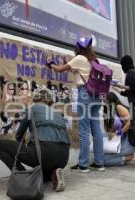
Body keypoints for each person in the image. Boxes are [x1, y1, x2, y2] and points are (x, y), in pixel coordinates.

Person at [46, 37, 105, 172]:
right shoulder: (94, 60)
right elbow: (77, 71)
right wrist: (68, 63)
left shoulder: (79, 59)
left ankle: (83, 164)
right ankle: (99, 163)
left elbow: (60, 69)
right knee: (96, 131)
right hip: (97, 97)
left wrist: (50, 64)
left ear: (78, 47)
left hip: (85, 94)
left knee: (84, 130)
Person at [0, 89, 70, 192]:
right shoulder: (58, 114)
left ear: (36, 97)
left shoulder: (31, 109)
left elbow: (19, 136)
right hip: (63, 158)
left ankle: (24, 177)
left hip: (43, 153)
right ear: (48, 100)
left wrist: (25, 147)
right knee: (42, 170)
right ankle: (53, 173)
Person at [103, 92, 135, 167]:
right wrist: (111, 133)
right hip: (121, 140)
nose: (103, 102)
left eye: (105, 100)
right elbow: (113, 127)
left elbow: (129, 123)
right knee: (101, 158)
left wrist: (117, 133)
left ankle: (132, 156)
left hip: (131, 140)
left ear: (110, 100)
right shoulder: (109, 111)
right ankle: (128, 156)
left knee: (103, 160)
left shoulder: (119, 107)